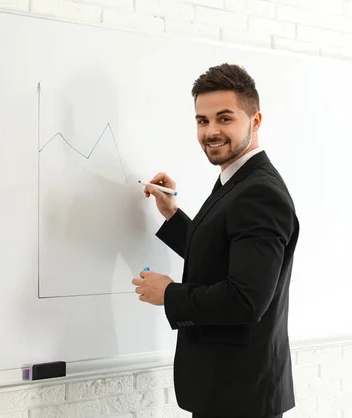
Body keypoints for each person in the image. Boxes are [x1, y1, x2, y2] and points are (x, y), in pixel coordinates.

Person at [131, 63, 300, 418]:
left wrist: (170, 295)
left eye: (224, 119)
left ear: (255, 122)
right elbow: (223, 252)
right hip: (228, 392)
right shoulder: (237, 180)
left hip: (241, 398)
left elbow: (246, 299)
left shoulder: (259, 193)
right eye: (202, 121)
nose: (211, 131)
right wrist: (173, 215)